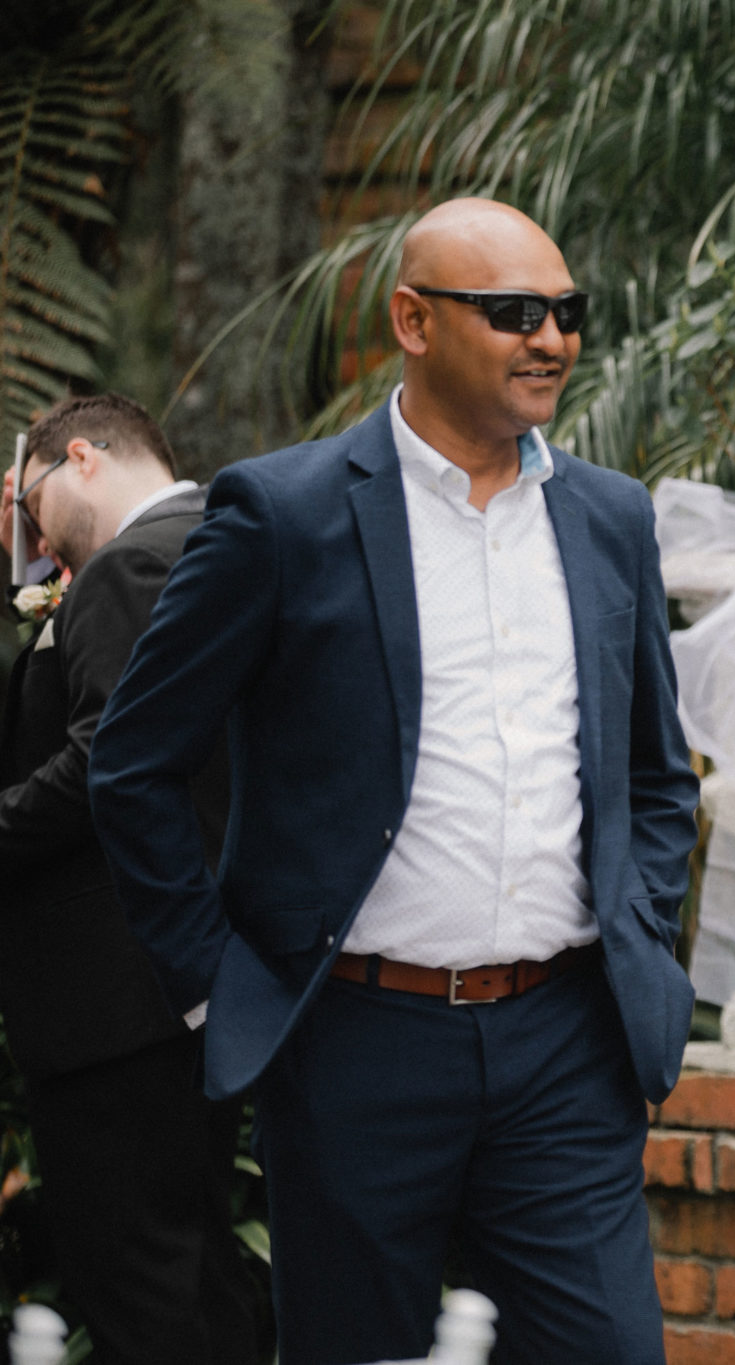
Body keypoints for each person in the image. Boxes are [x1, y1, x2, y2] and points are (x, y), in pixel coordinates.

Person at [88, 198, 699, 1365]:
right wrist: (219, 986)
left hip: (566, 1043)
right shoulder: (284, 513)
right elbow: (135, 762)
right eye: (515, 312)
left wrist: (641, 927)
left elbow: (657, 774)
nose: (552, 341)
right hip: (355, 1044)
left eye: (568, 313)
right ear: (413, 322)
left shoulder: (610, 519)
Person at [0, 394, 262, 1365]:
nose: (29, 533)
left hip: (109, 1000)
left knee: (136, 1285)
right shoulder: (218, 537)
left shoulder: (129, 566)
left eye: (30, 504)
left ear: (81, 458)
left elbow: (102, 761)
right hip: (184, 990)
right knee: (192, 1272)